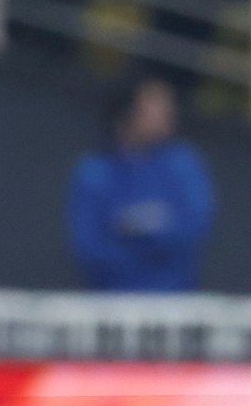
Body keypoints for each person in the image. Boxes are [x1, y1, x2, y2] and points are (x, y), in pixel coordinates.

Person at [66, 75, 215, 292]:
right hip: (111, 299)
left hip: (174, 299)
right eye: (154, 108)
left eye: (169, 107)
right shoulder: (95, 172)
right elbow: (89, 245)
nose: (167, 114)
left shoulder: (183, 164)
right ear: (127, 113)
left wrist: (137, 231)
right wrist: (143, 240)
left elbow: (192, 228)